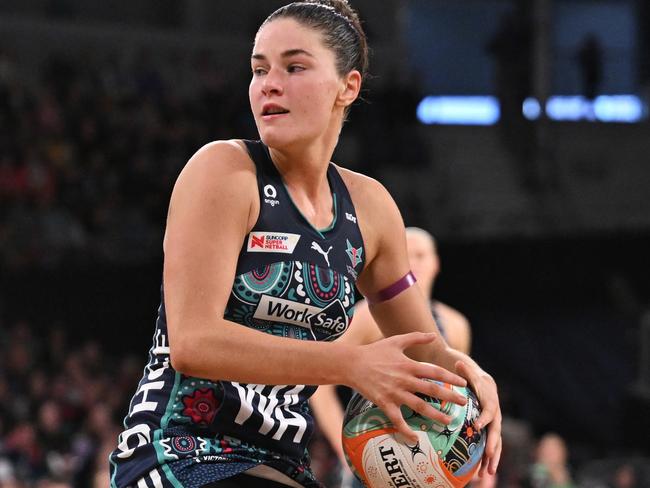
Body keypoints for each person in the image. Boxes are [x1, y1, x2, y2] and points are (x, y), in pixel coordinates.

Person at [108, 1, 502, 487]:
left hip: (282, 461)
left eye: (294, 67)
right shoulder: (224, 171)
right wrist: (350, 364)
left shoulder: (371, 208)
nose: (269, 83)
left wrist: (471, 382)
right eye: (258, 70)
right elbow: (193, 343)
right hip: (178, 451)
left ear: (347, 87)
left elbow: (426, 354)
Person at [310, 227, 472, 484]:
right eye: (407, 255)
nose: (415, 262)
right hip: (379, 452)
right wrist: (346, 449)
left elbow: (462, 402)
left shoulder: (455, 324)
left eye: (421, 255)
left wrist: (474, 457)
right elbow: (319, 383)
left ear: (436, 263)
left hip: (431, 460)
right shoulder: (366, 315)